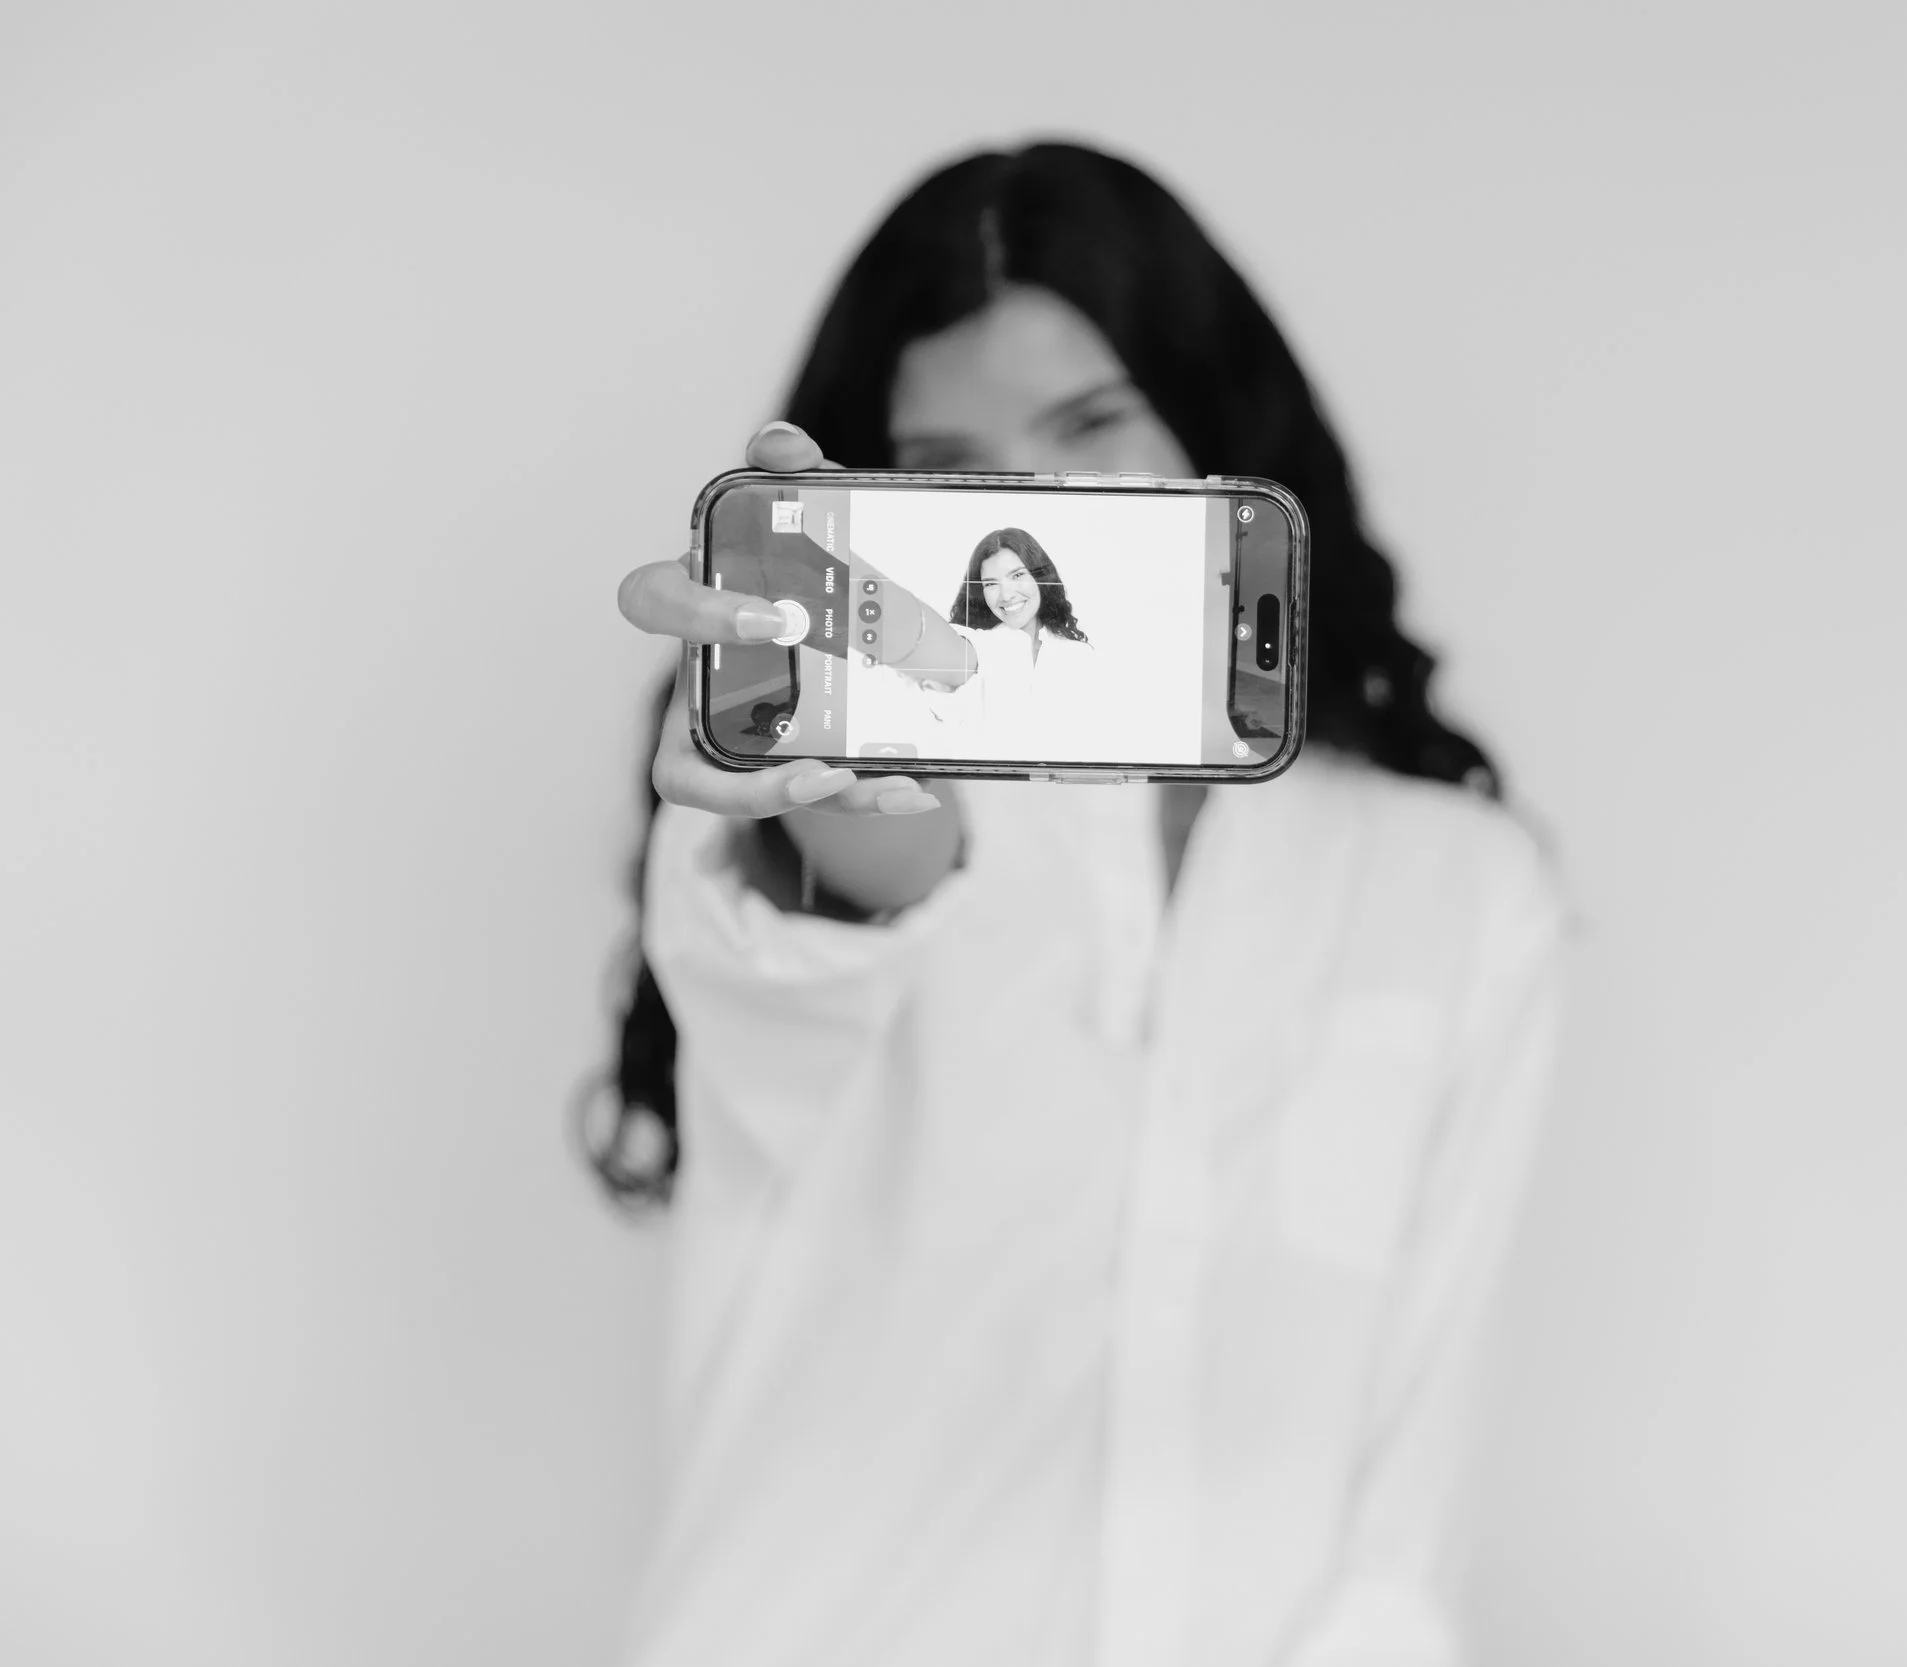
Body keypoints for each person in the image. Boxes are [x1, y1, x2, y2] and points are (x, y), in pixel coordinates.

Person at [599, 140, 1567, 1667]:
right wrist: (838, 820)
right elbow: (809, 951)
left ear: (1214, 431)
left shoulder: (1455, 889)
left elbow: (1404, 1503)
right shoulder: (853, 831)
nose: (1030, 512)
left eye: (1093, 424)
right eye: (947, 474)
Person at [920, 525, 1099, 758]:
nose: (1006, 595)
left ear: (1039, 577)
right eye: (991, 584)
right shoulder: (974, 648)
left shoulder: (1078, 656)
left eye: (1017, 575)